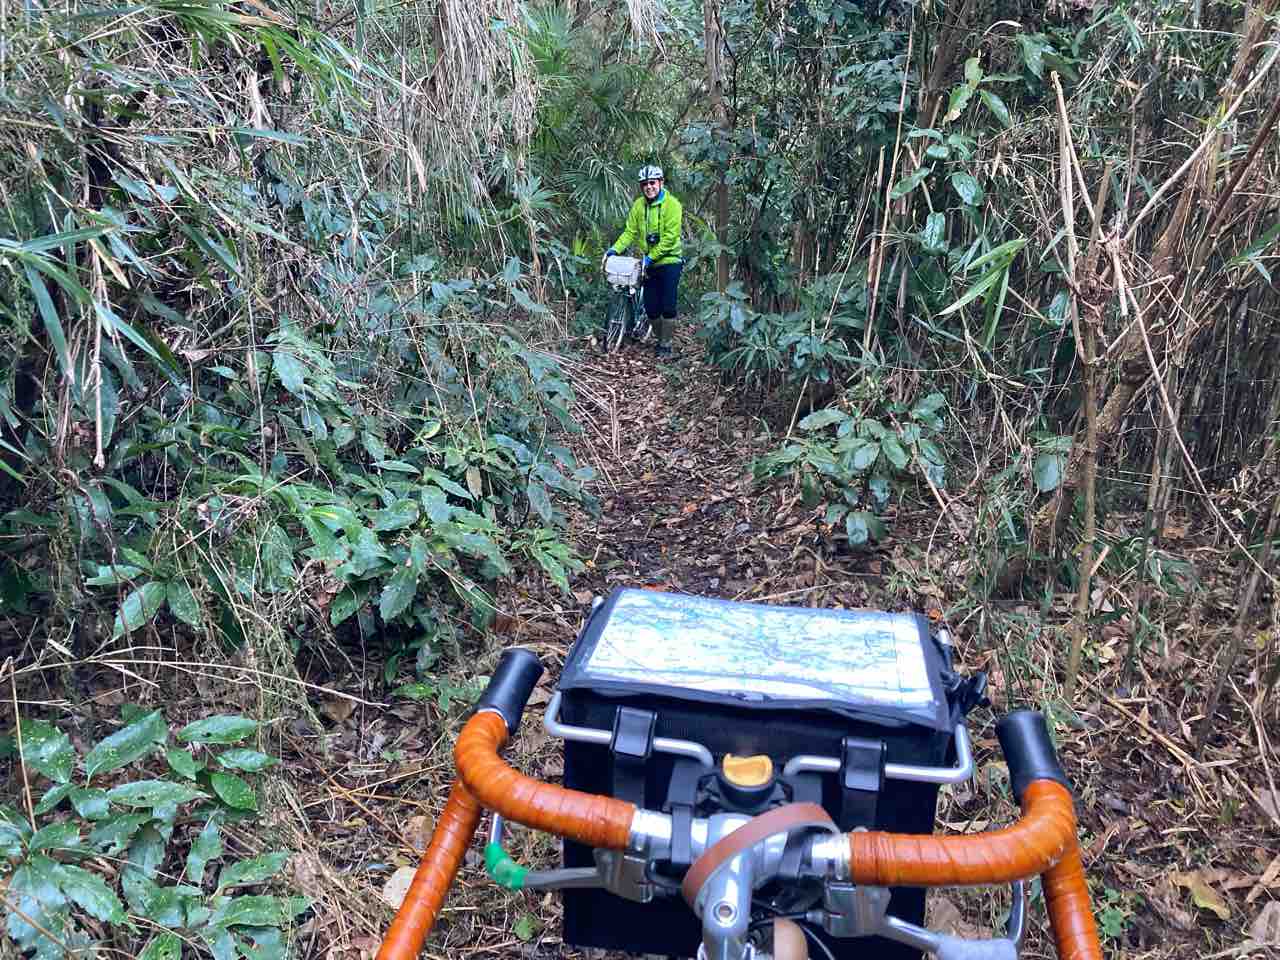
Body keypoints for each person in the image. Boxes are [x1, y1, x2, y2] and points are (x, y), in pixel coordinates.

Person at [605, 165, 683, 357]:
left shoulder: (673, 205)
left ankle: (666, 344)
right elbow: (630, 232)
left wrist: (650, 257)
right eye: (645, 184)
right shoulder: (639, 205)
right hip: (649, 264)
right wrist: (614, 250)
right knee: (651, 308)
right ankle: (660, 338)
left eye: (652, 183)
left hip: (670, 261)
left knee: (668, 306)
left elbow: (670, 238)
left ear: (661, 183)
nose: (649, 187)